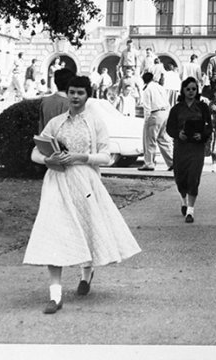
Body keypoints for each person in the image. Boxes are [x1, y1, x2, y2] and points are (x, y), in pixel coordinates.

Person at [23, 75, 141, 312]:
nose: (75, 97)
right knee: (54, 232)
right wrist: (48, 158)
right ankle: (55, 295)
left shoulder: (95, 122)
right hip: (57, 181)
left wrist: (80, 157)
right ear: (67, 94)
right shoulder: (56, 123)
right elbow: (35, 151)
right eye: (72, 92)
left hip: (85, 181)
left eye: (80, 93)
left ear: (88, 95)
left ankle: (86, 274)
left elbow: (105, 156)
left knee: (86, 227)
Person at [166, 77, 213, 222]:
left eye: (194, 89)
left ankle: (190, 211)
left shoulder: (203, 107)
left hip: (196, 147)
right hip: (181, 146)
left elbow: (209, 126)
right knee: (180, 177)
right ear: (183, 90)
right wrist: (178, 134)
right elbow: (169, 128)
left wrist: (202, 134)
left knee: (193, 176)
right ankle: (183, 200)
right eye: (188, 89)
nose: (191, 92)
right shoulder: (177, 108)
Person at [138, 70, 173, 173]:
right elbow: (167, 102)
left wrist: (146, 120)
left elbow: (147, 106)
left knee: (149, 140)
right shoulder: (160, 87)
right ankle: (172, 162)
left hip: (154, 114)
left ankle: (149, 163)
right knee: (163, 139)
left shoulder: (147, 89)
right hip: (165, 113)